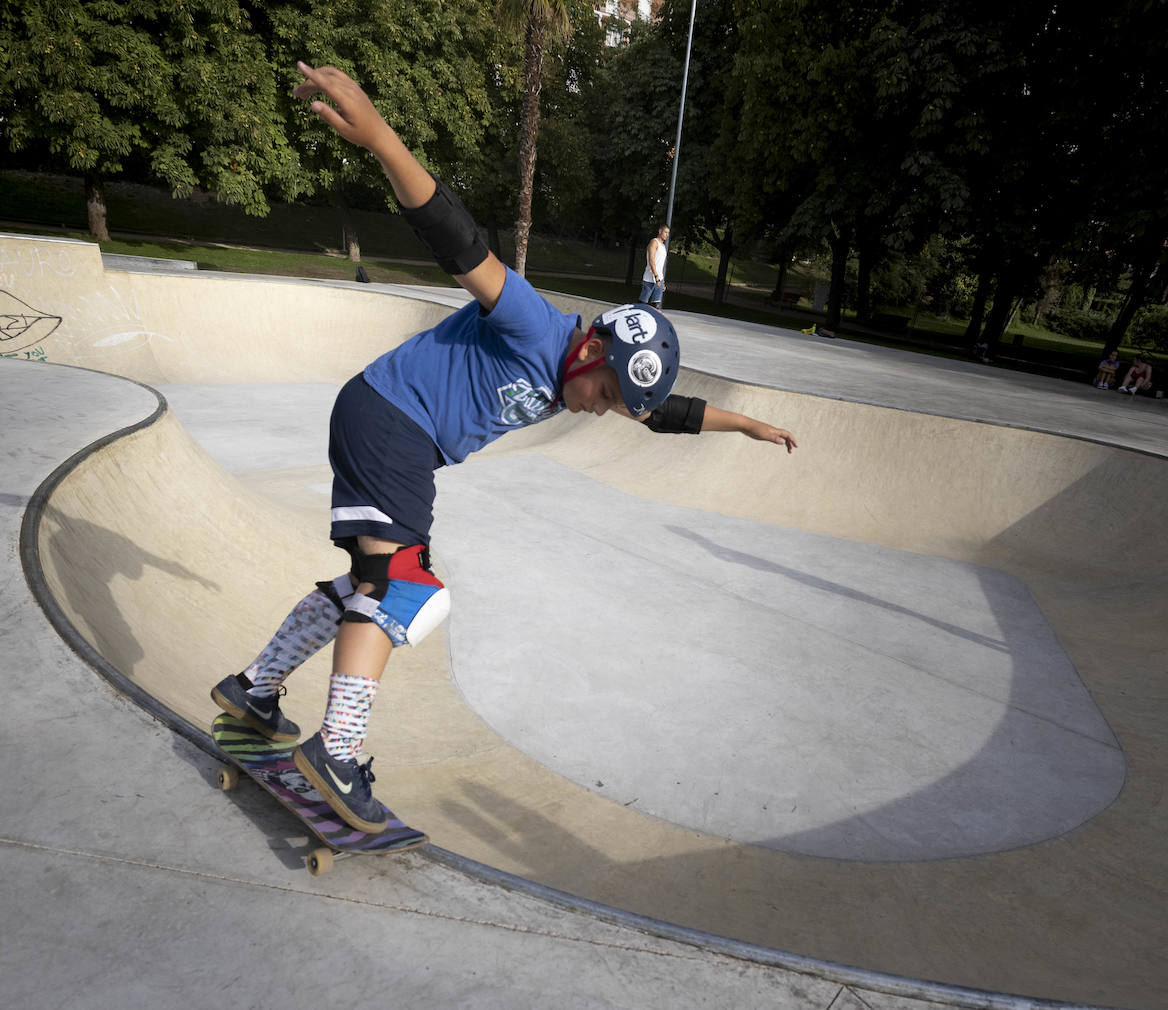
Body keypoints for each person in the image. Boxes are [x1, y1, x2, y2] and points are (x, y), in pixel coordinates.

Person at [210, 62, 799, 833]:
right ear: (591, 355)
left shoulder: (594, 369)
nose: (599, 414)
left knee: (371, 585)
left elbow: (663, 413)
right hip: (391, 418)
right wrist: (380, 134)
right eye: (605, 398)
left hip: (394, 433)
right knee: (409, 592)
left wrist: (746, 424)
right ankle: (337, 751)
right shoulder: (531, 322)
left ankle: (256, 688)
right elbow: (456, 239)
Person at [640, 224, 669, 307]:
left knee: (655, 305)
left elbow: (660, 265)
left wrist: (662, 281)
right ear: (660, 231)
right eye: (665, 232)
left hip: (659, 280)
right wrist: (656, 276)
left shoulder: (663, 246)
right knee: (642, 304)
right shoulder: (654, 242)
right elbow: (651, 260)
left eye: (668, 233)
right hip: (650, 278)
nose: (667, 235)